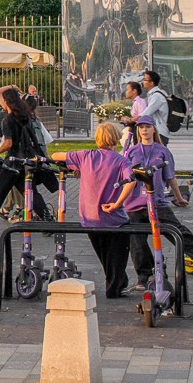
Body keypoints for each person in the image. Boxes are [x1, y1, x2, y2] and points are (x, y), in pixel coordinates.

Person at [115, 117, 193, 285]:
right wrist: (118, 201)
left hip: (157, 202)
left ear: (154, 129)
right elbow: (124, 177)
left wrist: (178, 198)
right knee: (136, 241)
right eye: (141, 127)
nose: (144, 130)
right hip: (135, 204)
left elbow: (170, 177)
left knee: (177, 231)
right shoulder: (131, 151)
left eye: (148, 127)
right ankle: (145, 276)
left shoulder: (162, 151)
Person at [64, 122, 136, 299]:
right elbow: (132, 181)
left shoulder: (86, 156)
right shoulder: (121, 161)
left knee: (104, 253)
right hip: (113, 217)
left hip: (89, 217)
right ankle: (114, 288)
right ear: (115, 139)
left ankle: (119, 282)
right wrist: (118, 203)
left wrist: (76, 167)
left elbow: (58, 155)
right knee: (117, 254)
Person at [0, 85, 56, 223]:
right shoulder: (25, 117)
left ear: (6, 102)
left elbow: (9, 143)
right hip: (25, 161)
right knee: (31, 193)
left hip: (11, 162)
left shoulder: (8, 120)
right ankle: (49, 221)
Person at [139, 69, 171, 141]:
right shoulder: (153, 94)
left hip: (160, 132)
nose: (143, 81)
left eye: (145, 79)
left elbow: (147, 113)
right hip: (156, 131)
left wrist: (133, 119)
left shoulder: (157, 96)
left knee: (158, 152)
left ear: (151, 83)